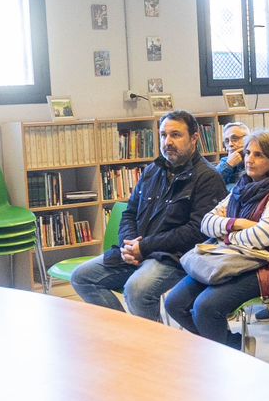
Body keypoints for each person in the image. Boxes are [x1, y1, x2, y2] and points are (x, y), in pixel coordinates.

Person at [68, 110, 227, 322]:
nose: (167, 142)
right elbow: (130, 212)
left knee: (137, 291)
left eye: (176, 135)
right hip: (139, 250)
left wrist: (143, 247)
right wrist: (129, 244)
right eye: (163, 135)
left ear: (194, 138)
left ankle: (156, 349)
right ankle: (127, 335)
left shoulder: (208, 177)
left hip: (175, 257)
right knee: (81, 277)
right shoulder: (153, 170)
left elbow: (196, 231)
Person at [163, 131, 269, 348]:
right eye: (248, 152)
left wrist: (225, 234)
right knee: (174, 303)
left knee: (206, 307)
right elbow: (206, 222)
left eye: (258, 155)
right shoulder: (241, 188)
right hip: (233, 258)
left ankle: (222, 358)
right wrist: (236, 224)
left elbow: (264, 237)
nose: (249, 159)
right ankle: (232, 347)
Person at [214, 120, 250, 188]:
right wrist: (228, 165)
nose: (230, 144)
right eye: (227, 141)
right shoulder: (226, 161)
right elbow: (210, 183)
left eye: (235, 139)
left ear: (248, 139)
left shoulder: (254, 160)